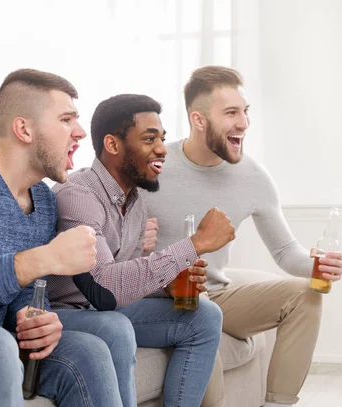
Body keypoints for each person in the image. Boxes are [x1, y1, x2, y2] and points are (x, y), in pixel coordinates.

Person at [142, 66, 342, 407]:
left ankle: (277, 404)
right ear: (199, 120)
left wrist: (315, 265)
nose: (244, 123)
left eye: (245, 112)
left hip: (216, 294)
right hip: (164, 297)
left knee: (306, 295)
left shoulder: (252, 176)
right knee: (200, 311)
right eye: (231, 113)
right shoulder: (154, 166)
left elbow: (284, 250)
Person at [0, 68, 137, 406]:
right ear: (24, 129)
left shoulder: (45, 200)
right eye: (67, 119)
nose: (80, 132)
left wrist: (33, 318)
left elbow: (23, 293)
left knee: (90, 350)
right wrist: (47, 257)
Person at [47, 93, 235, 407]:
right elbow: (104, 287)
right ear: (112, 144)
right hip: (67, 313)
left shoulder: (135, 202)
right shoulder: (78, 195)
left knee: (204, 316)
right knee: (115, 325)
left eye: (162, 138)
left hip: (105, 309)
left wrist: (166, 287)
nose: (162, 148)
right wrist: (194, 244)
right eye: (149, 139)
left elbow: (126, 280)